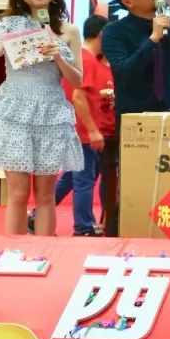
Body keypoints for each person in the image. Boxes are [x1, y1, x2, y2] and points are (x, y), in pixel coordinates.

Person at [0, 0, 84, 236]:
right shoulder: (8, 24)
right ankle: (14, 251)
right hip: (14, 111)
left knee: (46, 196)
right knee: (17, 195)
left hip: (51, 112)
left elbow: (77, 80)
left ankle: (45, 252)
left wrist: (58, 56)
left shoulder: (68, 30)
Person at [54, 14, 115, 236]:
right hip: (83, 132)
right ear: (102, 34)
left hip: (85, 130)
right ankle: (83, 227)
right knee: (84, 181)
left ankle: (37, 215)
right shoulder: (85, 59)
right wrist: (92, 130)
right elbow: (78, 98)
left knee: (72, 178)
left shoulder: (91, 60)